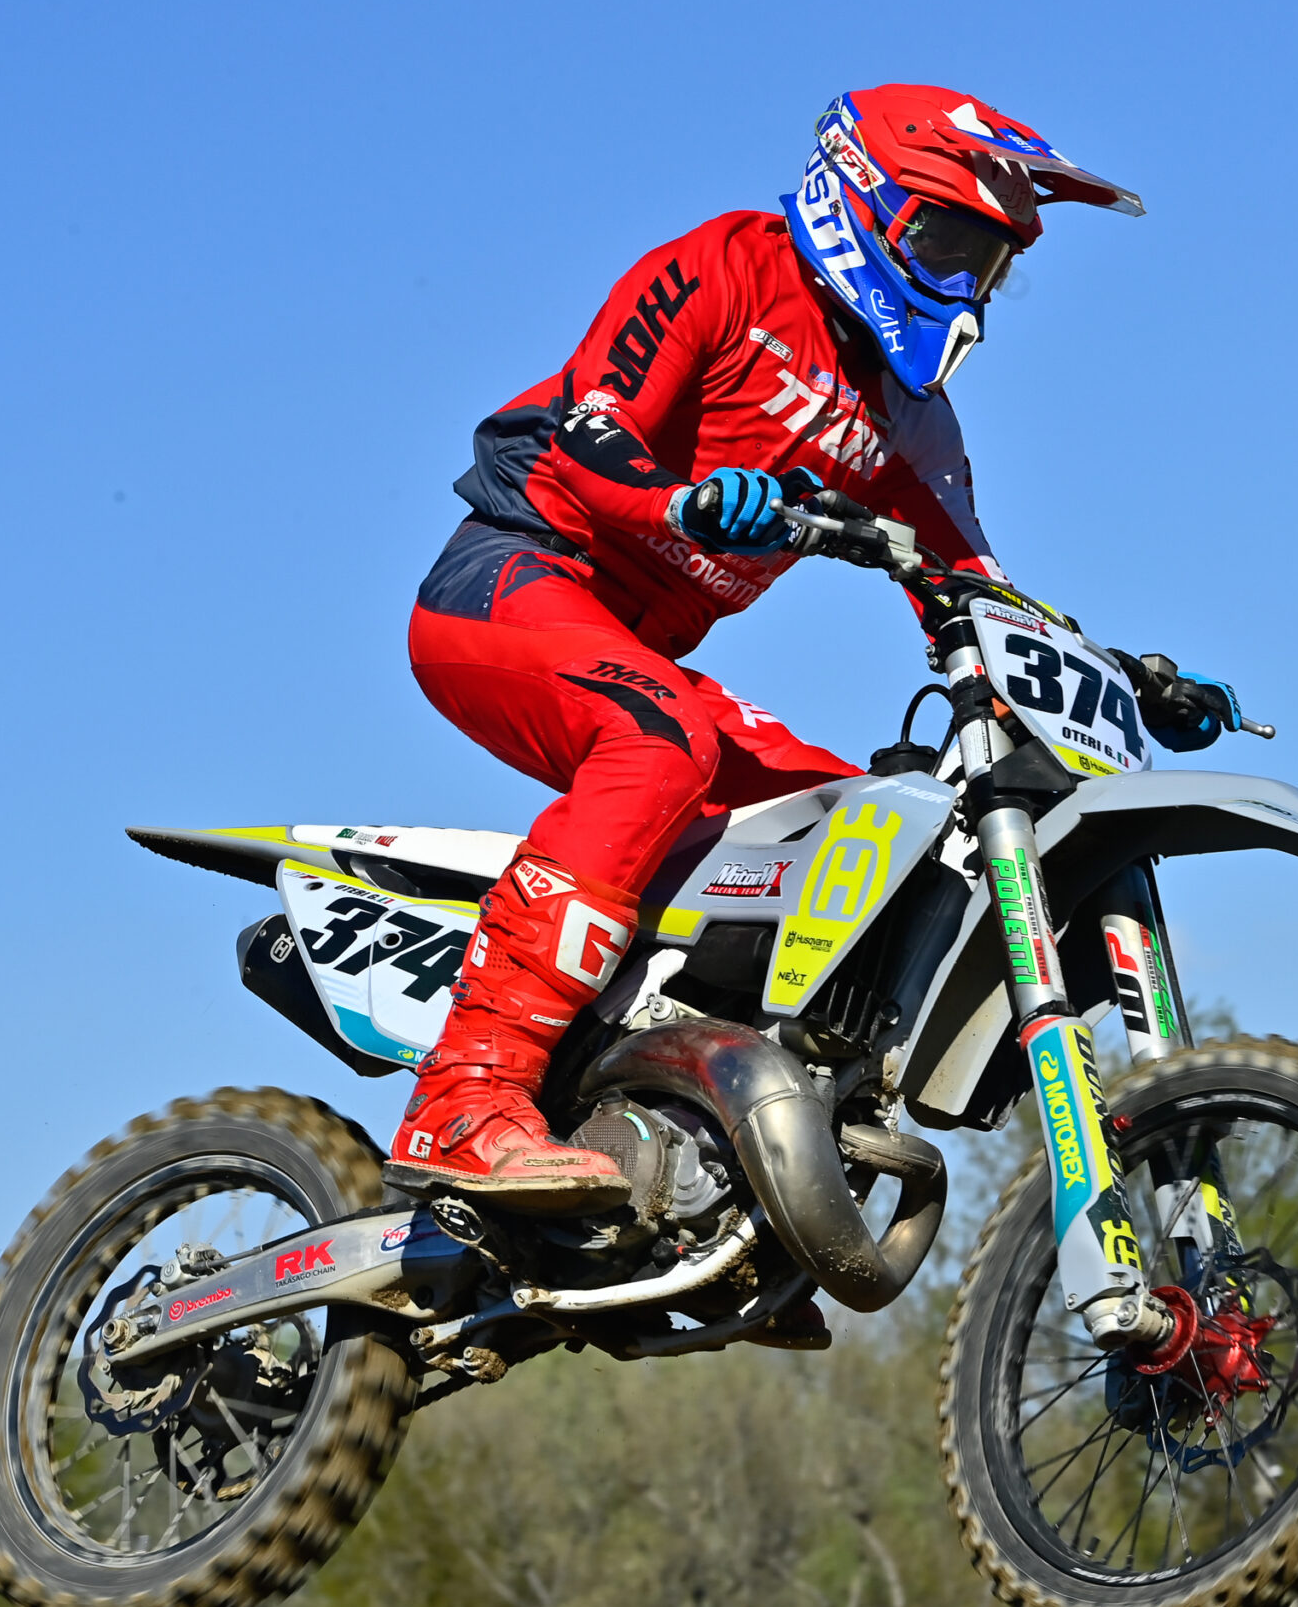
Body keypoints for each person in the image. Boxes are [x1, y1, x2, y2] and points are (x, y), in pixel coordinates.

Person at [387, 85, 1236, 1212]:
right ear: (861, 202)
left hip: (641, 660)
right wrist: (684, 502)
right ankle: (464, 1095)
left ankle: (684, 1134)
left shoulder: (909, 420)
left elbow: (974, 591)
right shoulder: (724, 266)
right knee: (662, 743)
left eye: (987, 263)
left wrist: (1125, 676)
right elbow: (594, 432)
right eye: (946, 242)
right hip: (510, 583)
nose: (965, 284)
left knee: (861, 834)